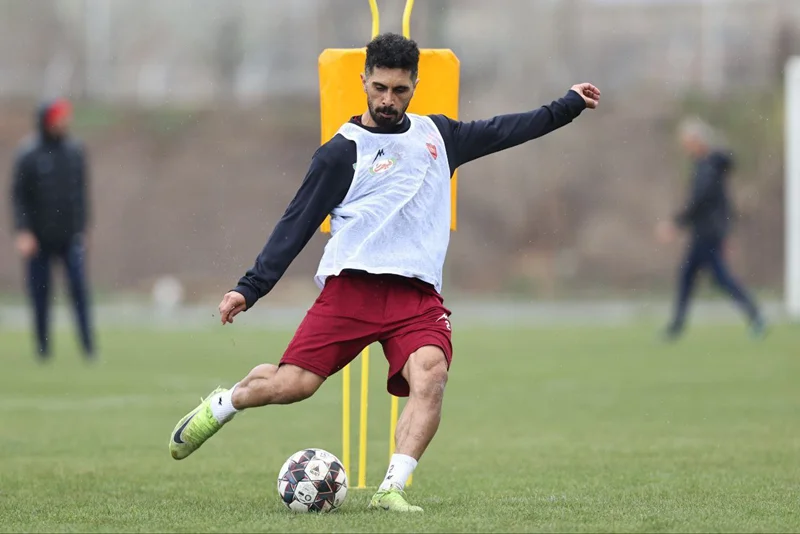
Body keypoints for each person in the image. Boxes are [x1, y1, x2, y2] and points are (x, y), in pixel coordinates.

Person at [168, 33, 600, 512]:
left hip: (416, 297)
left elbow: (507, 130)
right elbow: (295, 224)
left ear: (415, 85)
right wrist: (249, 288)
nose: (388, 100)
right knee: (293, 386)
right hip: (352, 290)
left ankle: (390, 489)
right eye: (379, 88)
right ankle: (224, 404)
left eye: (399, 90)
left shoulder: (439, 137)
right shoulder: (340, 152)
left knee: (431, 376)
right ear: (363, 81)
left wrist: (568, 105)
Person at [656, 117, 765, 340]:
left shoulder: (708, 167)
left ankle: (755, 316)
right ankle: (676, 326)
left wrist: (676, 223)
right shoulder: (708, 165)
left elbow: (701, 201)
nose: (685, 147)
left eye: (687, 142)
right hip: (706, 232)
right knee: (690, 277)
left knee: (717, 278)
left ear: (697, 141)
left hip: (708, 234)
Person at [10, 98, 95, 360]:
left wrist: (83, 229)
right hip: (38, 238)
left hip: (70, 235)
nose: (65, 122)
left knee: (79, 290)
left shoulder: (74, 152)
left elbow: (80, 194)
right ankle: (43, 348)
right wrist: (23, 231)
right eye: (60, 117)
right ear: (47, 120)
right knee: (40, 293)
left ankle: (88, 347)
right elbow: (19, 197)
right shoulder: (28, 154)